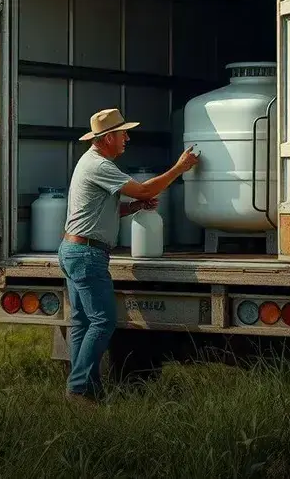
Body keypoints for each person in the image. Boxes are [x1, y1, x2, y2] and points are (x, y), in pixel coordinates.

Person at [58, 108, 200, 403]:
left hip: (74, 249)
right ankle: (79, 389)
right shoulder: (100, 166)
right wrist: (179, 167)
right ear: (108, 138)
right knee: (103, 322)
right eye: (123, 134)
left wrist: (135, 208)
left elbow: (103, 210)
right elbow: (143, 188)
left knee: (83, 323)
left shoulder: (89, 162)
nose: (127, 138)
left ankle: (87, 388)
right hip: (86, 254)